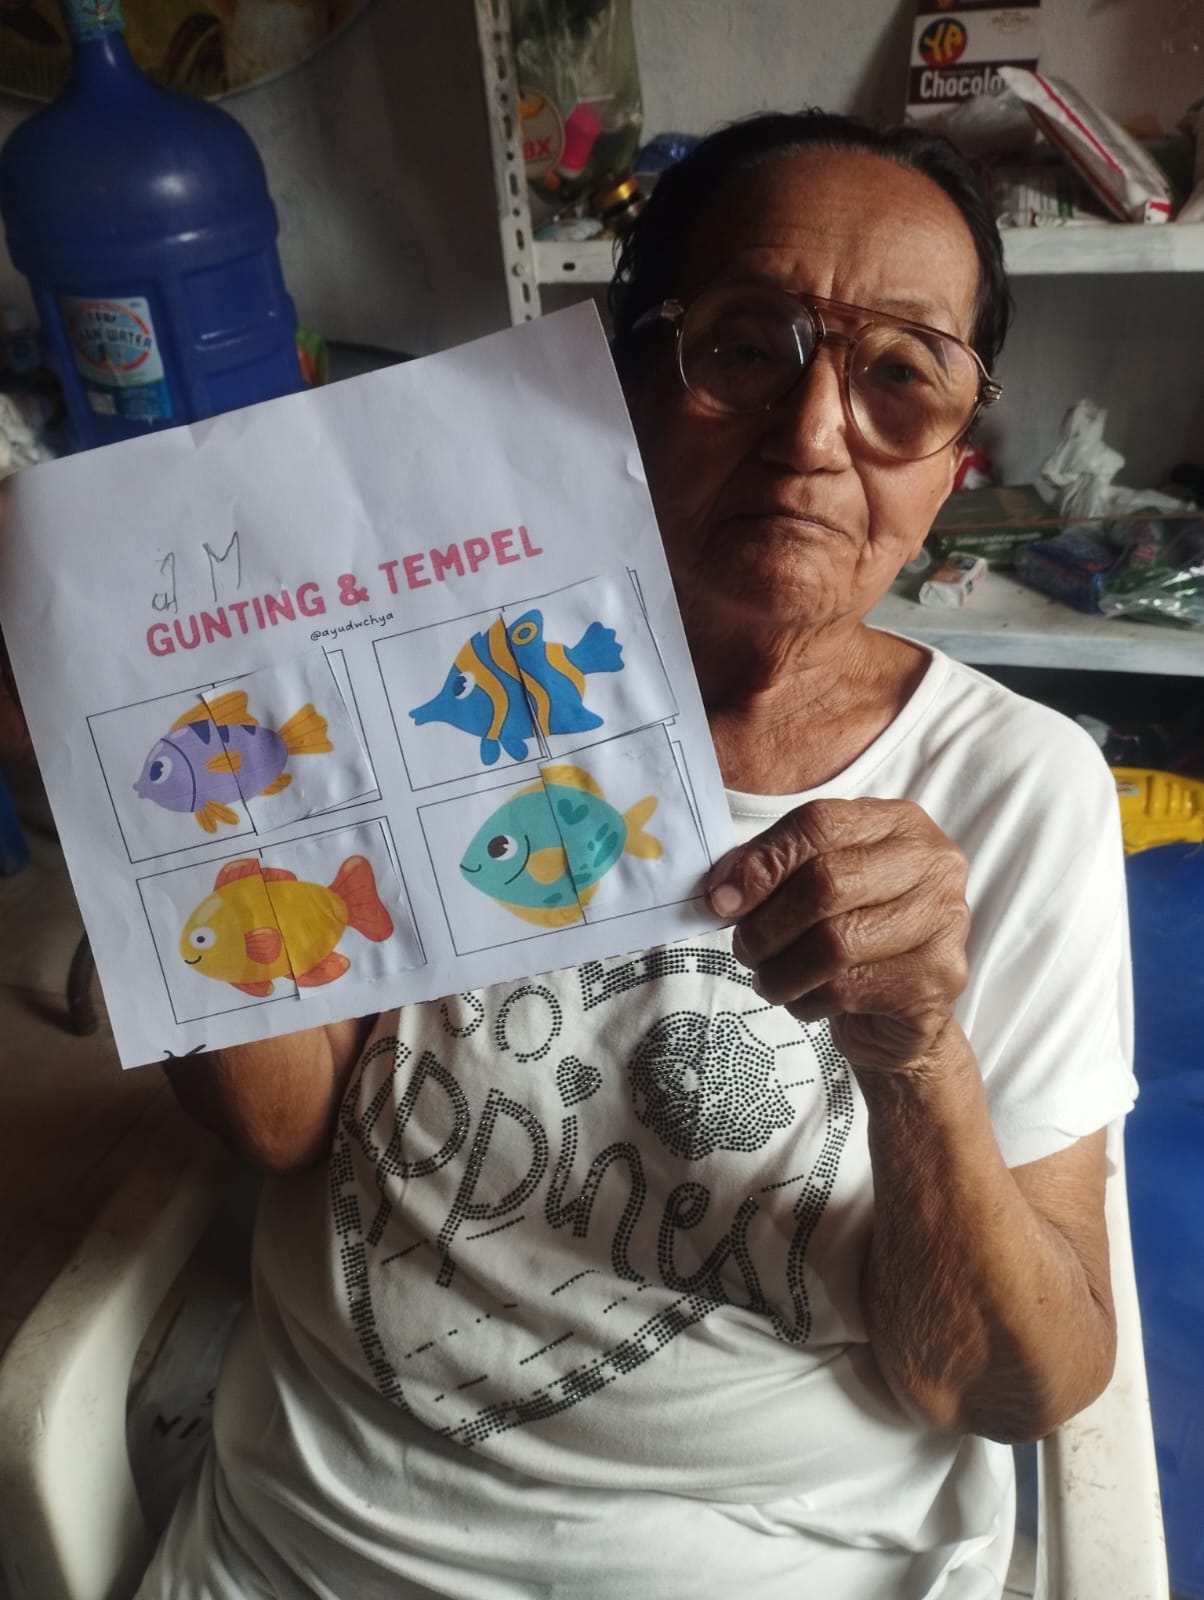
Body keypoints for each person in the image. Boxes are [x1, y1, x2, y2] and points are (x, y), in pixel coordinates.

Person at [141, 110, 1135, 1599]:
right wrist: (156, 788)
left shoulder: (1020, 789)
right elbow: (282, 1129)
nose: (813, 437)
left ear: (950, 462)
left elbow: (1005, 1383)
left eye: (900, 378)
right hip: (309, 1552)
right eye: (744, 346)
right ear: (618, 380)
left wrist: (920, 1056)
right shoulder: (445, 678)